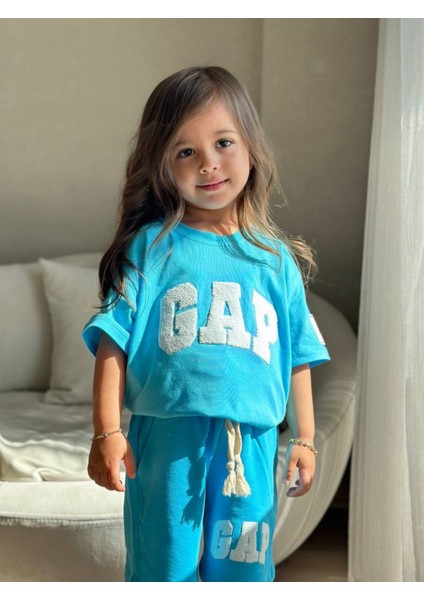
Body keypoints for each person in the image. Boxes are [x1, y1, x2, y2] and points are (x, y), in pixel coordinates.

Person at [81, 65, 331, 583]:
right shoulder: (151, 248)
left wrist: (305, 439)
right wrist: (106, 431)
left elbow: (298, 355)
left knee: (244, 572)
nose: (208, 164)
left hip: (252, 444)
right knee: (162, 569)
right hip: (167, 439)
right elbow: (113, 345)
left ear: (251, 148)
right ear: (161, 165)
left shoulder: (275, 259)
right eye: (185, 151)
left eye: (223, 143)